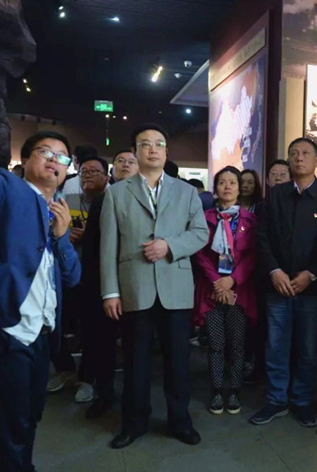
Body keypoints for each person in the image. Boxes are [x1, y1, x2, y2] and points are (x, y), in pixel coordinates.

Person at [0, 55, 81, 472]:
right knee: (5, 426)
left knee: (28, 418)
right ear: (25, 159)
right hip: (4, 329)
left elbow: (72, 277)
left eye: (63, 158)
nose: (55, 161)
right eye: (45, 152)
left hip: (41, 334)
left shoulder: (59, 211)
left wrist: (62, 238)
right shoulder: (6, 188)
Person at [100, 122, 207, 449]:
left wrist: (169, 245)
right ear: (135, 151)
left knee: (178, 362)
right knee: (135, 362)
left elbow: (200, 234)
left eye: (159, 144)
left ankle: (180, 421)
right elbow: (108, 245)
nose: (153, 149)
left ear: (166, 151)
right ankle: (134, 423)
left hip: (175, 288)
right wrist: (110, 291)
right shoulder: (116, 192)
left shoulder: (186, 191)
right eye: (145, 144)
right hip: (134, 288)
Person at [251, 137, 317, 427]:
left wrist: (311, 273)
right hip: (277, 285)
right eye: (293, 153)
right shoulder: (276, 195)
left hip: (311, 287)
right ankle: (276, 399)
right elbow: (262, 237)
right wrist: (274, 271)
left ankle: (301, 400)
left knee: (308, 349)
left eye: (305, 153)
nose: (299, 158)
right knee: (276, 346)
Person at [192, 166, 258, 415]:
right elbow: (199, 252)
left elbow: (252, 255)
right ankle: (218, 390)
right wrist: (217, 283)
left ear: (240, 189)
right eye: (222, 182)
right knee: (216, 343)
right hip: (211, 290)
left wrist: (232, 281)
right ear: (215, 188)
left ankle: (235, 390)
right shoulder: (204, 217)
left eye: (232, 182)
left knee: (237, 344)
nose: (227, 186)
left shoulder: (250, 220)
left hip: (239, 290)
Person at [81, 148, 140, 420]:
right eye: (120, 161)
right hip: (105, 285)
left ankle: (135, 399)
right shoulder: (102, 201)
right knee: (102, 343)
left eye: (131, 161)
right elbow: (94, 248)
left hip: (138, 285)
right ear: (111, 171)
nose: (126, 165)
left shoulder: (148, 200)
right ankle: (104, 395)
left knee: (134, 346)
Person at [59, 156, 110, 403]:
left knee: (93, 331)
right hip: (69, 273)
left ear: (107, 178)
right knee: (63, 327)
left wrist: (88, 236)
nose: (87, 175)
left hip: (97, 276)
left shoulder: (112, 202)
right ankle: (68, 371)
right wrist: (64, 235)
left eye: (94, 171)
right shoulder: (67, 201)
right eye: (84, 172)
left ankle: (89, 379)